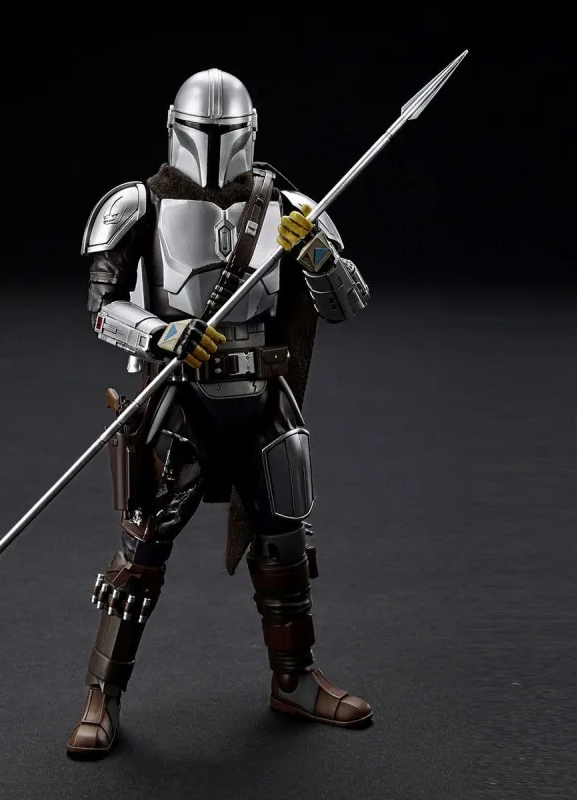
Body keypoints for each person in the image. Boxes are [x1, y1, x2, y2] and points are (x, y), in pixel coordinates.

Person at [67, 68, 372, 757]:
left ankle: (294, 679)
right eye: (202, 132)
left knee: (284, 540)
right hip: (180, 398)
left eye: (225, 133)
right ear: (175, 129)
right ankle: (101, 694)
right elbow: (103, 309)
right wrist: (161, 332)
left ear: (250, 131)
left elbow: (346, 305)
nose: (213, 146)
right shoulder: (137, 204)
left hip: (261, 395)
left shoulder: (289, 207)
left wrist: (318, 256)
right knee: (142, 549)